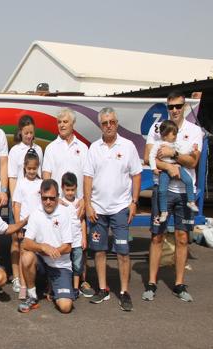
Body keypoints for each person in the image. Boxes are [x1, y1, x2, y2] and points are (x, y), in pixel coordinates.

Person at [142, 91, 203, 303]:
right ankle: (151, 283)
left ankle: (179, 284)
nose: (175, 110)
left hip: (184, 193)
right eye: (171, 107)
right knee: (157, 236)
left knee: (182, 238)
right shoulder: (157, 128)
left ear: (185, 106)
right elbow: (147, 156)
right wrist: (167, 164)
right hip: (162, 190)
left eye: (178, 106)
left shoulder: (194, 131)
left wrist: (173, 154)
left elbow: (193, 162)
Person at [84, 107, 142, 311]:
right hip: (98, 210)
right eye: (105, 123)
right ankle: (102, 288)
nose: (109, 126)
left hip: (120, 208)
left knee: (123, 252)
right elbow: (88, 177)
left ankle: (124, 292)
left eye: (112, 122)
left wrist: (134, 202)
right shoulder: (94, 148)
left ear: (117, 123)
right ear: (100, 125)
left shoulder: (128, 146)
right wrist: (88, 204)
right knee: (99, 251)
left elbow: (136, 175)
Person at [20, 179, 74, 314]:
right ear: (41, 197)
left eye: (52, 198)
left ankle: (54, 287)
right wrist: (43, 247)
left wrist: (53, 251)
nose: (48, 202)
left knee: (65, 307)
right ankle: (32, 296)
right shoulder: (35, 213)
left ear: (57, 197)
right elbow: (25, 242)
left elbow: (68, 247)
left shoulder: (65, 213)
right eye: (45, 198)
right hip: (42, 263)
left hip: (60, 266)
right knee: (27, 256)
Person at [148, 119, 199, 223]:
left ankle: (191, 201)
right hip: (164, 171)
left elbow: (184, 151)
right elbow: (151, 156)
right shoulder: (158, 144)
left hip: (178, 167)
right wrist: (154, 168)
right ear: (165, 135)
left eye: (176, 133)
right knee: (162, 190)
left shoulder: (176, 144)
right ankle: (163, 211)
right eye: (173, 134)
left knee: (188, 181)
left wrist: (192, 149)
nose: (176, 136)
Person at [11, 149, 43, 299]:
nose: (31, 171)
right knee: (24, 257)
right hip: (24, 226)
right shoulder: (21, 183)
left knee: (36, 256)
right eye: (29, 168)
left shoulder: (41, 183)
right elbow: (16, 205)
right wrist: (18, 226)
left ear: (38, 167)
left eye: (34, 168)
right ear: (24, 167)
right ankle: (23, 288)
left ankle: (35, 285)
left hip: (38, 227)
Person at [42, 108, 88, 199]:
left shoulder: (83, 148)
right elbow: (46, 175)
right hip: (57, 203)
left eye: (65, 122)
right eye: (59, 122)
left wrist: (84, 200)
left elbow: (87, 176)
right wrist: (53, 198)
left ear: (73, 123)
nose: (61, 125)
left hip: (78, 204)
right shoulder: (51, 148)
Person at [61, 172, 94, 298]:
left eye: (72, 190)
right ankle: (67, 285)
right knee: (65, 264)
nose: (70, 192)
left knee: (77, 265)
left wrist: (84, 238)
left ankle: (75, 288)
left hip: (77, 240)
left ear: (76, 188)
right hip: (65, 241)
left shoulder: (79, 204)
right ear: (62, 188)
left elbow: (82, 221)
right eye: (67, 190)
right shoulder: (60, 203)